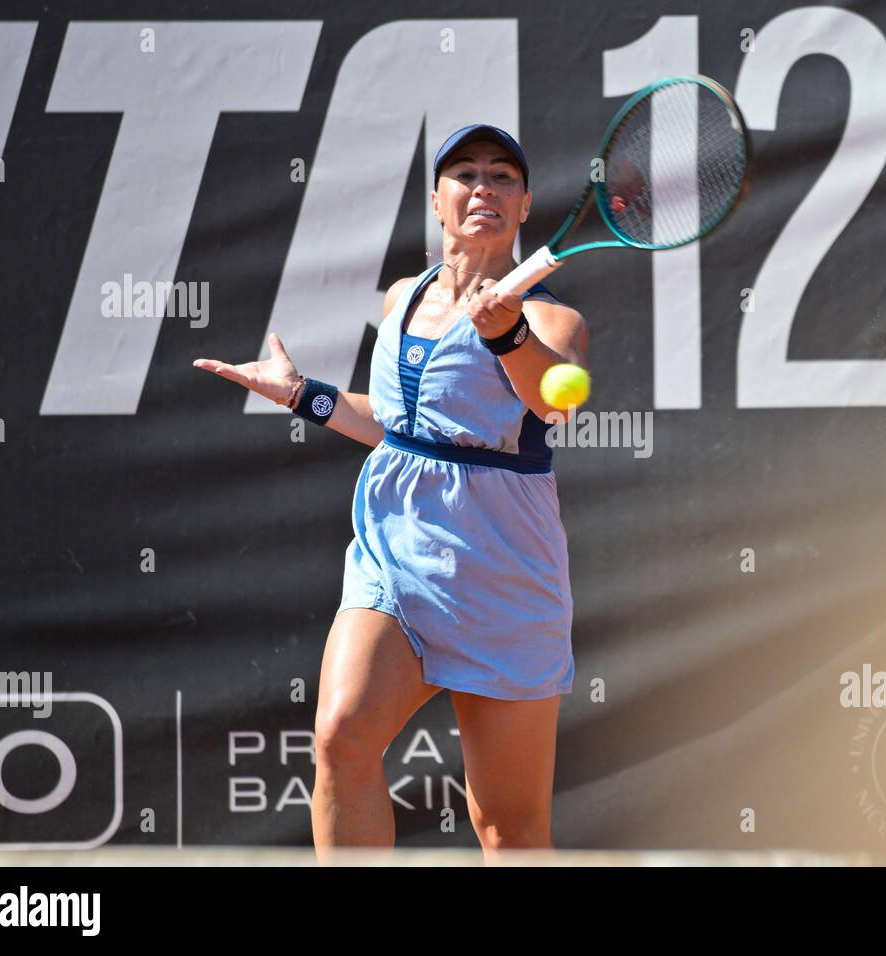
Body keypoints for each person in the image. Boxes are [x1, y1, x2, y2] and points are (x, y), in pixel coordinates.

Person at [192, 124, 589, 862]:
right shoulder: (403, 298)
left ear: (526, 204)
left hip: (506, 575)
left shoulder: (549, 319)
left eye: (502, 176)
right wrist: (304, 396)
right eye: (464, 175)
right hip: (395, 557)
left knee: (511, 829)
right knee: (341, 735)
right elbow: (408, 431)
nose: (483, 188)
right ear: (438, 202)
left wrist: (506, 337)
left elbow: (554, 402)